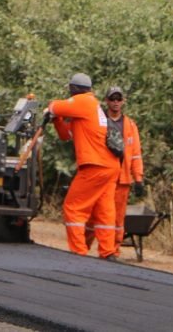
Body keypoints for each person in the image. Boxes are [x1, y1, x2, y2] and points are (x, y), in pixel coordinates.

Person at [44, 73, 120, 259]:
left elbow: (55, 105)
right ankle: (108, 251)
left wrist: (51, 110)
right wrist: (56, 120)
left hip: (95, 165)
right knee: (104, 211)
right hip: (109, 166)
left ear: (73, 89)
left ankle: (79, 252)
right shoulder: (90, 110)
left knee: (73, 207)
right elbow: (66, 135)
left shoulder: (84, 102)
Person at [84, 86, 144, 257]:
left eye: (119, 99)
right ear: (107, 101)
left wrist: (138, 178)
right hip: (100, 176)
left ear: (123, 101)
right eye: (112, 99)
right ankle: (82, 247)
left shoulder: (130, 125)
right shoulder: (98, 121)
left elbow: (136, 154)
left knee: (117, 220)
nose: (116, 102)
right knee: (92, 217)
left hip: (121, 179)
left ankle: (112, 251)